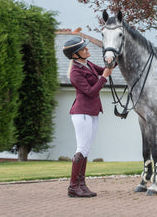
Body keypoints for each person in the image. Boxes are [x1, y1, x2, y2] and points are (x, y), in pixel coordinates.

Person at [63, 36, 114, 198]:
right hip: (82, 112)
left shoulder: (87, 64)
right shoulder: (75, 72)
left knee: (86, 150)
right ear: (76, 55)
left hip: (92, 112)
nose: (87, 49)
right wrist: (105, 77)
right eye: (83, 49)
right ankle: (73, 187)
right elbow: (91, 91)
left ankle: (81, 184)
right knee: (82, 149)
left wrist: (112, 59)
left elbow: (105, 69)